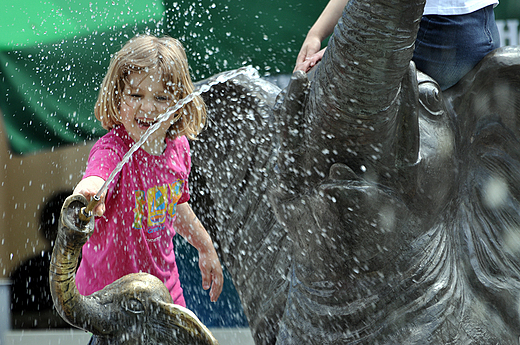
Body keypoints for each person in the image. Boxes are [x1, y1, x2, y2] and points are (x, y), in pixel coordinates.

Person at [73, 35, 223, 307]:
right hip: (109, 298)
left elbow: (174, 205)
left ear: (178, 106)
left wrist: (205, 245)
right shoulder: (114, 148)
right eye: (135, 94)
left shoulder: (179, 149)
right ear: (118, 97)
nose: (148, 107)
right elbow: (99, 174)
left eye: (162, 97)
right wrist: (90, 189)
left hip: (164, 293)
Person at [294, 0, 500, 90]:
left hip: (439, 35)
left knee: (319, 79)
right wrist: (316, 33)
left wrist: (344, 50)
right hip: (484, 30)